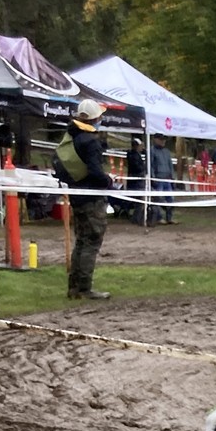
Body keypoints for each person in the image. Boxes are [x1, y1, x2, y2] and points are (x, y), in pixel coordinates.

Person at [52, 98, 115, 300]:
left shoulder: (73, 137)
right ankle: (85, 288)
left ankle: (74, 288)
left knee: (81, 242)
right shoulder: (90, 142)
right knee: (91, 242)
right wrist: (108, 181)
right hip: (91, 198)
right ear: (95, 118)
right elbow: (96, 173)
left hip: (77, 196)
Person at [149, 133, 177, 224]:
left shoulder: (166, 152)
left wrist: (172, 177)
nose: (163, 141)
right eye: (161, 139)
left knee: (170, 199)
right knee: (158, 199)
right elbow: (151, 165)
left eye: (164, 139)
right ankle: (159, 217)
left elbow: (170, 165)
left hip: (167, 179)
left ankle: (169, 218)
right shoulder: (151, 151)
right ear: (155, 139)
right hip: (158, 179)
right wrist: (153, 177)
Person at [126, 137, 146, 225]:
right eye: (140, 145)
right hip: (135, 180)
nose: (142, 147)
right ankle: (136, 218)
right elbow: (137, 167)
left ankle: (136, 217)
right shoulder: (133, 155)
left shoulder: (135, 154)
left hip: (136, 179)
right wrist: (143, 168)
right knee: (139, 200)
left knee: (139, 200)